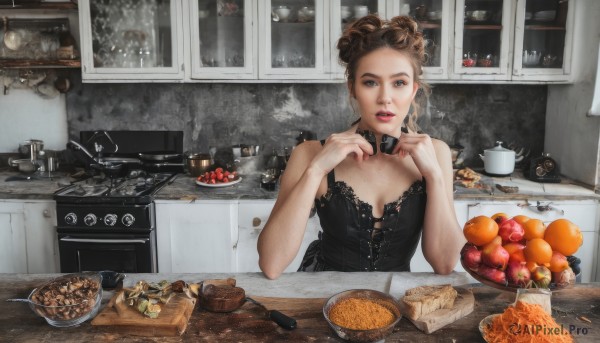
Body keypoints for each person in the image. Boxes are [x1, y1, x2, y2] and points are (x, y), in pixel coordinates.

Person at [257, 14, 465, 279]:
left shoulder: (437, 153)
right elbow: (271, 265)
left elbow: (445, 264)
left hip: (394, 306)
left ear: (413, 90)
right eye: (370, 82)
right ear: (352, 88)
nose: (385, 98)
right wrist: (316, 169)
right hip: (322, 299)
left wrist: (433, 175)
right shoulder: (308, 154)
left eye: (399, 83)